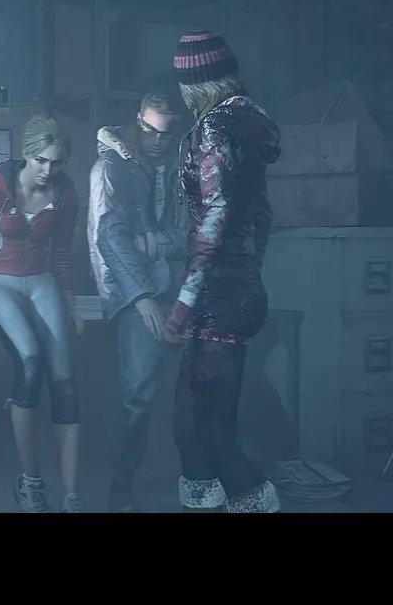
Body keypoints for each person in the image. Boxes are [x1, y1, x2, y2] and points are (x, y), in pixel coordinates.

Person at [163, 31, 284, 513]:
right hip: (235, 290)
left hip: (219, 296)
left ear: (193, 84)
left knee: (209, 434)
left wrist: (183, 303)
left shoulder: (214, 128)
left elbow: (213, 219)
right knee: (190, 430)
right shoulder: (247, 126)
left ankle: (257, 504)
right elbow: (262, 216)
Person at [0, 115, 86, 513]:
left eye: (57, 162)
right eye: (41, 161)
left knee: (64, 382)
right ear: (27, 155)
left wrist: (69, 304)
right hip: (1, 282)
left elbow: (61, 253)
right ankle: (31, 482)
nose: (48, 170)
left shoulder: (66, 194)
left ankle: (71, 496)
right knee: (31, 365)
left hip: (41, 279)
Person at [87, 92, 188, 512]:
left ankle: (196, 479)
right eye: (150, 132)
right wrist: (142, 297)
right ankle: (121, 489)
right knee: (138, 394)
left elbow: (195, 234)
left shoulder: (183, 163)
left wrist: (153, 243)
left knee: (188, 389)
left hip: (181, 286)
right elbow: (111, 238)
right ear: (137, 122)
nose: (159, 142)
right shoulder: (111, 167)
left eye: (167, 133)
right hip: (135, 293)